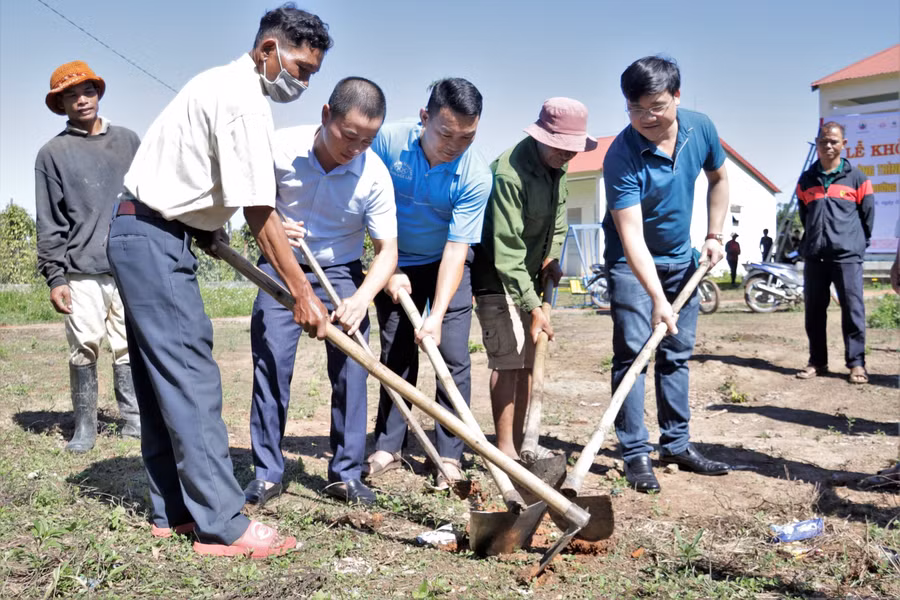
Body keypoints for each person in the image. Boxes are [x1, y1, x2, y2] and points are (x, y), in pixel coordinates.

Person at [106, 5, 332, 558]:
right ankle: (223, 525)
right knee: (192, 376)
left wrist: (208, 232)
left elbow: (198, 185)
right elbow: (260, 209)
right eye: (300, 68)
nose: (302, 82)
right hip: (154, 240)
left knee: (163, 382)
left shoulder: (219, 85)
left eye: (311, 75)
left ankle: (173, 513)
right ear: (268, 51)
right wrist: (302, 293)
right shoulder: (242, 101)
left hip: (145, 231)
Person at [245, 77, 396, 508]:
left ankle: (346, 473)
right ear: (326, 115)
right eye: (349, 136)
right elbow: (250, 206)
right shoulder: (279, 148)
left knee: (355, 366)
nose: (356, 148)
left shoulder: (374, 175)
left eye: (368, 140)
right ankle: (266, 473)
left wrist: (363, 298)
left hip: (343, 272)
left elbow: (388, 251)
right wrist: (272, 220)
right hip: (282, 266)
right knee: (271, 360)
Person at [602, 56, 731, 493]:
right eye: (635, 109)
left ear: (677, 96)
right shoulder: (621, 155)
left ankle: (676, 444)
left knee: (676, 354)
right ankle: (636, 454)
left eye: (655, 107)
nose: (646, 119)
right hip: (631, 263)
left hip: (683, 260)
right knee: (635, 357)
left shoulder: (701, 128)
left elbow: (718, 178)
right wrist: (656, 297)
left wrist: (714, 234)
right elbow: (631, 236)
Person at [365, 78, 492, 489]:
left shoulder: (475, 174)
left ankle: (449, 456)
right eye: (446, 133)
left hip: (445, 264)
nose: (455, 144)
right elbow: (363, 200)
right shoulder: (387, 141)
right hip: (395, 260)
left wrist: (436, 315)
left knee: (452, 358)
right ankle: (388, 445)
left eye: (467, 136)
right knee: (396, 354)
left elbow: (458, 250)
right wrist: (388, 262)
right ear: (425, 118)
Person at [471, 98, 597, 460]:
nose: (567, 155)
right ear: (541, 136)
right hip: (497, 276)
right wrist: (532, 306)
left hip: (531, 276)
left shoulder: (558, 166)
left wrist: (552, 257)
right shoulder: (509, 175)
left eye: (572, 149)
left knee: (529, 361)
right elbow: (507, 250)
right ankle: (505, 449)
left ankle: (527, 442)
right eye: (560, 147)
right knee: (508, 360)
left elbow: (558, 219)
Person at [35, 60, 142, 453]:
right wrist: (55, 277)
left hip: (130, 263)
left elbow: (148, 199)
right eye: (70, 95)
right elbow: (50, 221)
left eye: (88, 91)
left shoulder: (129, 141)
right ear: (59, 104)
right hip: (81, 269)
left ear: (98, 93)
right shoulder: (52, 154)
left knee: (128, 342)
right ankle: (86, 427)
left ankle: (133, 419)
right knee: (85, 344)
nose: (81, 100)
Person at [795, 121, 874, 384]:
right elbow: (805, 215)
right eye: (823, 141)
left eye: (834, 141)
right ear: (817, 144)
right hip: (815, 255)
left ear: (843, 145)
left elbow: (867, 216)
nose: (828, 145)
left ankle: (857, 363)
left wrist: (857, 244)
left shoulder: (858, 178)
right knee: (814, 311)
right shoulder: (806, 179)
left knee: (853, 309)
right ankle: (817, 361)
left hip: (847, 256)